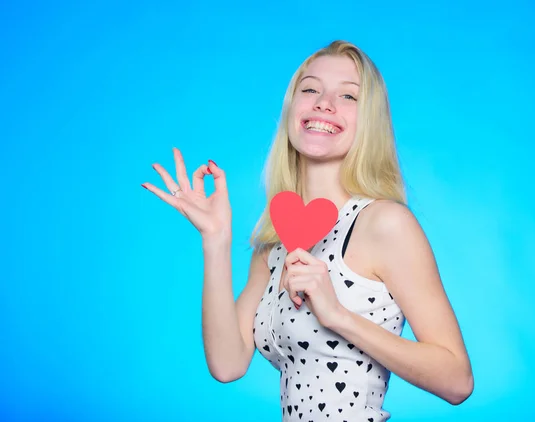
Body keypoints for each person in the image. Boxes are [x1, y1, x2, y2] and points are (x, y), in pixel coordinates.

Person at [142, 40, 474, 421]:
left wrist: (338, 316)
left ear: (369, 121)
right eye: (311, 89)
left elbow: (457, 381)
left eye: (348, 96)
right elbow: (228, 364)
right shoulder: (272, 248)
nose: (324, 103)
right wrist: (216, 239)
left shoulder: (384, 224)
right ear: (290, 111)